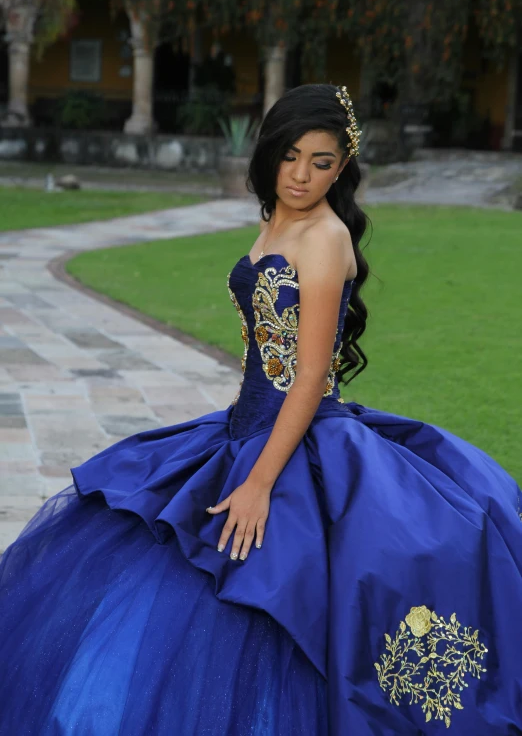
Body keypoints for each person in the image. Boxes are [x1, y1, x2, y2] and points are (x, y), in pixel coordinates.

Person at [0, 83, 521, 736]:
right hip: (240, 429)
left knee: (271, 590)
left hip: (292, 441)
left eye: (323, 162)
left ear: (343, 166)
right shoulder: (277, 216)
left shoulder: (326, 236)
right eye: (291, 156)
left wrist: (260, 482)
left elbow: (307, 380)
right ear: (271, 152)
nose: (303, 175)